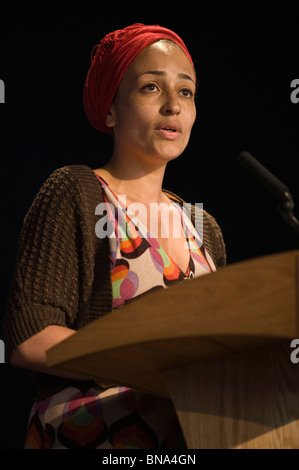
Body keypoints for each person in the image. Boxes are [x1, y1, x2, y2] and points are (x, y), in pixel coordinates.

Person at [5, 23, 226, 449]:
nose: (172, 107)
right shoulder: (77, 192)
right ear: (110, 109)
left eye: (186, 92)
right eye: (150, 87)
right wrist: (150, 363)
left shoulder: (203, 226)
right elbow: (30, 337)